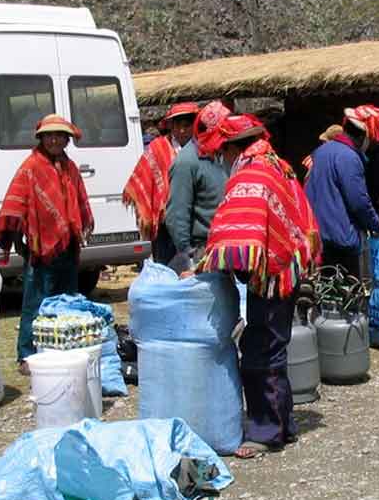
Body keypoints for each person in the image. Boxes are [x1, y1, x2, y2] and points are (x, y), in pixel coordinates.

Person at [197, 114, 319, 458]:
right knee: (273, 344)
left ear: (235, 147)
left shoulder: (252, 172)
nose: (222, 157)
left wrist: (207, 265)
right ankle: (284, 423)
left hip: (273, 273)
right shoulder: (277, 164)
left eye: (224, 150)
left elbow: (239, 229)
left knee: (260, 349)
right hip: (283, 267)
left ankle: (266, 432)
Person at [0, 114, 94, 371]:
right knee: (35, 302)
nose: (55, 140)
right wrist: (18, 240)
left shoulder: (69, 167)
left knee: (67, 300)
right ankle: (26, 354)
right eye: (50, 136)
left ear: (67, 140)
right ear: (41, 138)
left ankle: (62, 348)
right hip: (41, 249)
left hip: (68, 245)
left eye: (61, 136)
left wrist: (81, 223)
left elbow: (79, 199)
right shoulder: (31, 167)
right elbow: (15, 203)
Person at [304, 106, 379, 278]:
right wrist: (375, 225)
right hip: (341, 240)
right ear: (363, 136)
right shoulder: (349, 157)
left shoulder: (321, 152)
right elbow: (358, 201)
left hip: (317, 237)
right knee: (346, 296)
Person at [124, 102, 199, 265]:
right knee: (167, 269)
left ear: (194, 126)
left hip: (195, 220)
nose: (182, 130)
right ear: (171, 126)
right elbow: (141, 176)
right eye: (177, 126)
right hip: (166, 224)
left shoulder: (202, 148)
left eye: (187, 126)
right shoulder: (158, 148)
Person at [165, 100, 232, 264]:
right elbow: (177, 213)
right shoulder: (187, 161)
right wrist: (188, 253)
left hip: (227, 246)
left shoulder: (224, 155)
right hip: (203, 251)